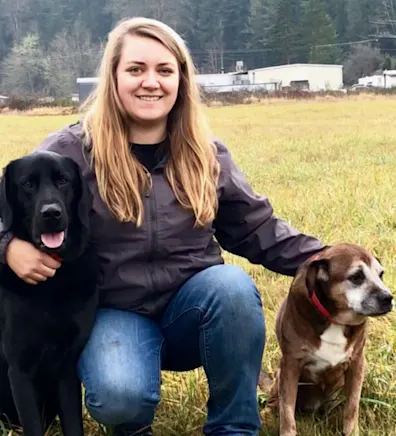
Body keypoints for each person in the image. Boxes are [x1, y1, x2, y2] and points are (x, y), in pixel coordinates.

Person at [0, 17, 324, 436]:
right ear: (113, 77)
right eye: (135, 69)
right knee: (117, 394)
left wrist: (329, 259)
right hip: (115, 314)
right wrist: (7, 245)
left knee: (233, 290)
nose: (150, 82)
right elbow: (15, 198)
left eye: (164, 70)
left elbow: (257, 227)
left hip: (193, 310)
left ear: (181, 80)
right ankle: (132, 427)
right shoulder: (70, 150)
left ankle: (234, 428)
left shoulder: (207, 154)